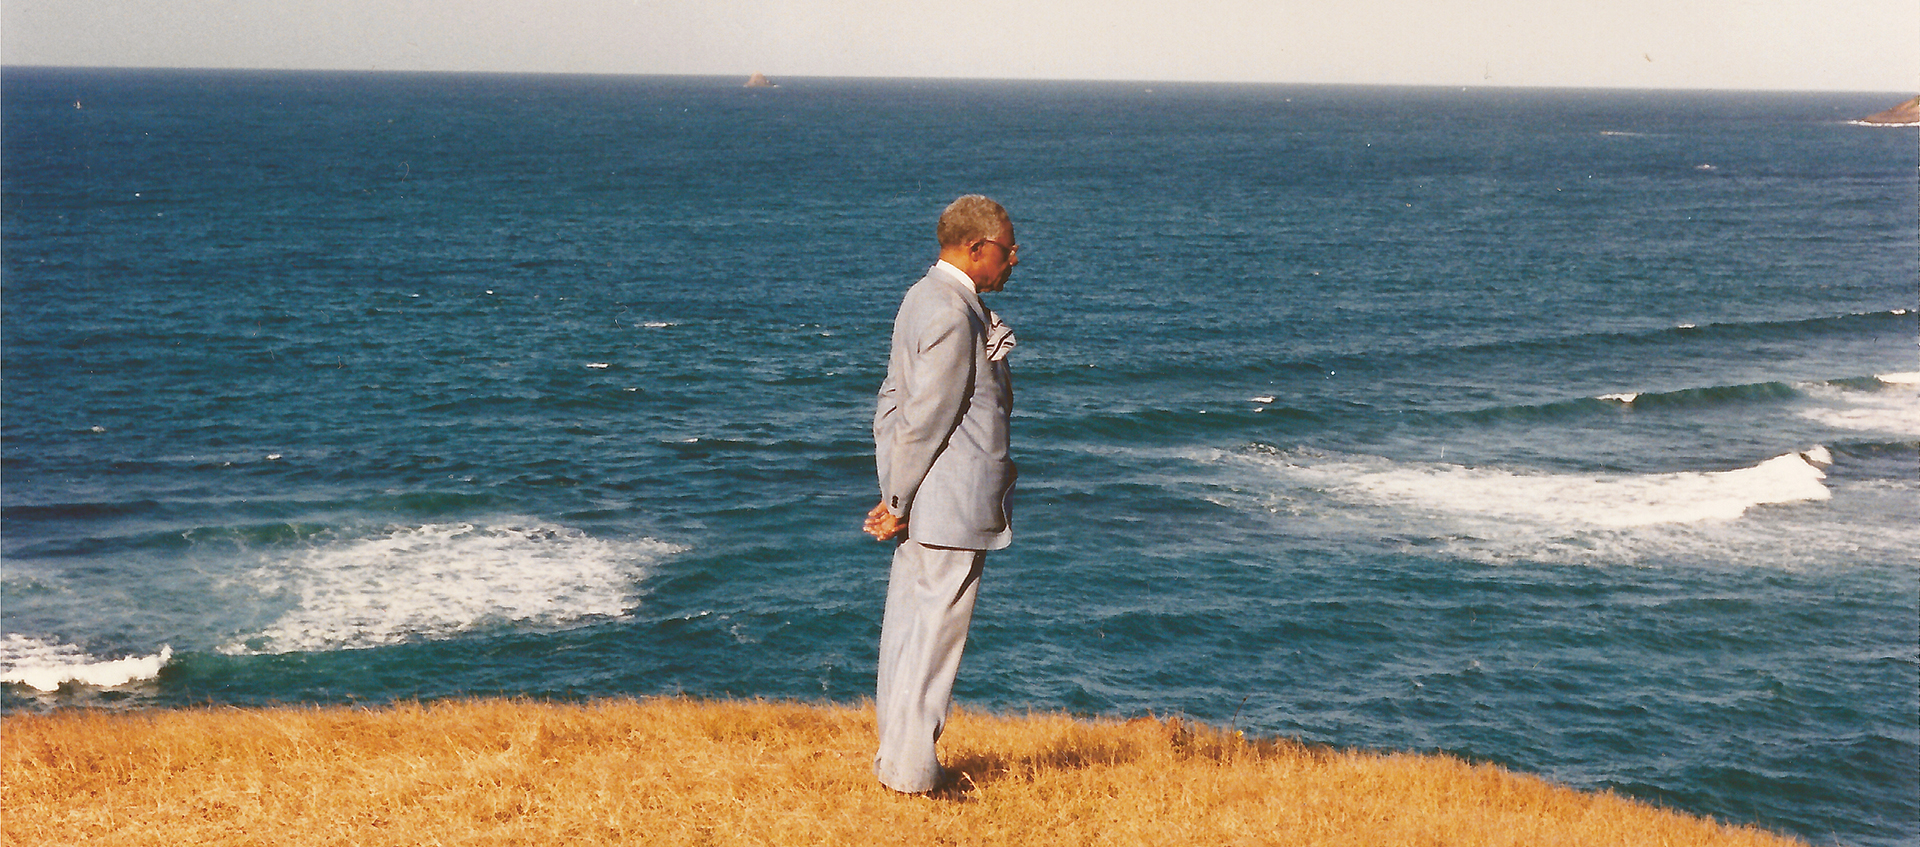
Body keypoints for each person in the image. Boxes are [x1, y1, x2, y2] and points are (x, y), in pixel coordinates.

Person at [863, 195, 1020, 794]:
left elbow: (891, 402)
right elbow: (927, 416)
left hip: (925, 499)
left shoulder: (921, 296)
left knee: (908, 631)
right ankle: (911, 775)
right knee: (932, 641)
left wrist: (893, 490)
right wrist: (897, 500)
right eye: (1007, 251)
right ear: (977, 249)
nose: (1014, 261)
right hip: (948, 503)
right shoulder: (956, 314)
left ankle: (896, 763)